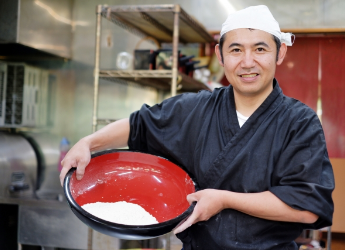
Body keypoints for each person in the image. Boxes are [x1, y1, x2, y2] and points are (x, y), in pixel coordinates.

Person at [60, 5, 334, 250]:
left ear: (280, 52)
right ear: (220, 54)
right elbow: (139, 125)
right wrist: (89, 143)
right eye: (236, 49)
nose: (247, 62)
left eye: (260, 49)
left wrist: (225, 199)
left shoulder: (300, 122)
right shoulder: (195, 108)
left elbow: (306, 207)